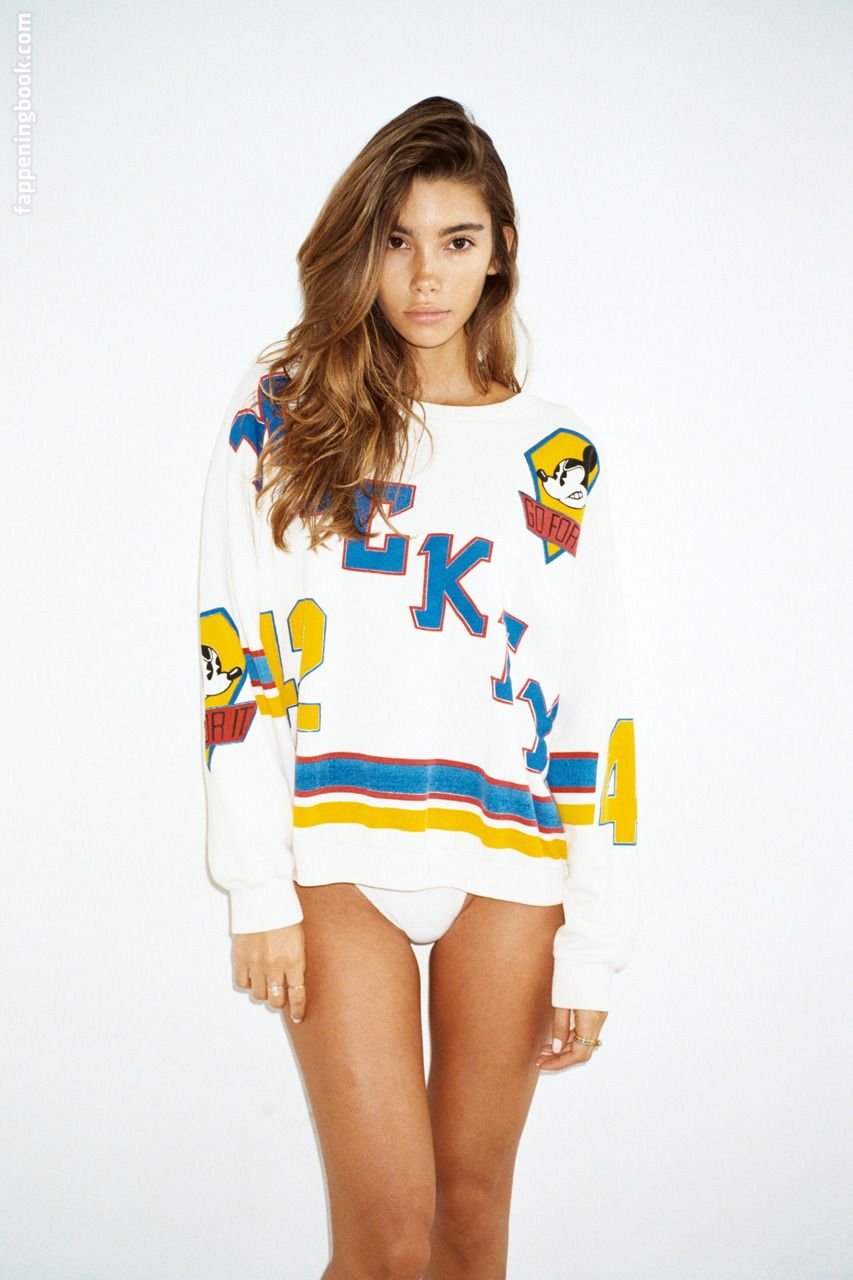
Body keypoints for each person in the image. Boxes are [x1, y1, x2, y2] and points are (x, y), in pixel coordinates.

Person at [197, 95, 639, 1280]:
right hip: (337, 856)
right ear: (363, 247)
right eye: (396, 239)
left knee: (469, 1222)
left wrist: (595, 943)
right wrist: (257, 886)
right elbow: (231, 638)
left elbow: (595, 699)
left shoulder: (561, 452)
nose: (425, 273)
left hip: (512, 860)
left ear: (500, 250)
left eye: (456, 239)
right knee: (389, 1242)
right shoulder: (286, 408)